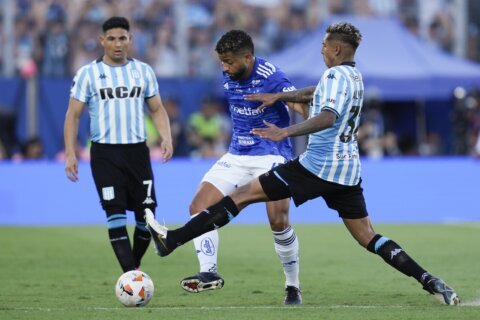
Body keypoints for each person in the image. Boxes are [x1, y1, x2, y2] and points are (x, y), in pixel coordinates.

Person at [145, 22, 460, 305]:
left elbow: (327, 116)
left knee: (240, 198)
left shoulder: (333, 74)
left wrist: (285, 131)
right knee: (368, 235)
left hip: (314, 167)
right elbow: (316, 93)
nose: (321, 50)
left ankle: (173, 240)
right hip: (347, 172)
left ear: (336, 49)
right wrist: (280, 98)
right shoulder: (354, 76)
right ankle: (429, 280)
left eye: (324, 46)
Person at [175, 30, 308, 305]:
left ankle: (292, 285)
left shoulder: (271, 76)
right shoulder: (230, 72)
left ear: (248, 57)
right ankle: (209, 273)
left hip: (271, 153)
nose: (224, 68)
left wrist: (316, 119)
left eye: (229, 62)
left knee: (279, 220)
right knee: (198, 206)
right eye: (221, 62)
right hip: (237, 155)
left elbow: (297, 103)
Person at [64, 16, 173, 273]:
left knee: (147, 218)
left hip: (137, 152)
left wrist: (166, 136)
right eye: (111, 38)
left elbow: (157, 109)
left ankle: (133, 266)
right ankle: (131, 275)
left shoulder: (143, 71)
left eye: (122, 38)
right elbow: (73, 115)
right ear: (102, 40)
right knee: (115, 214)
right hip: (105, 154)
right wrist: (71, 153)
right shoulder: (88, 74)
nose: (117, 44)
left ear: (130, 40)